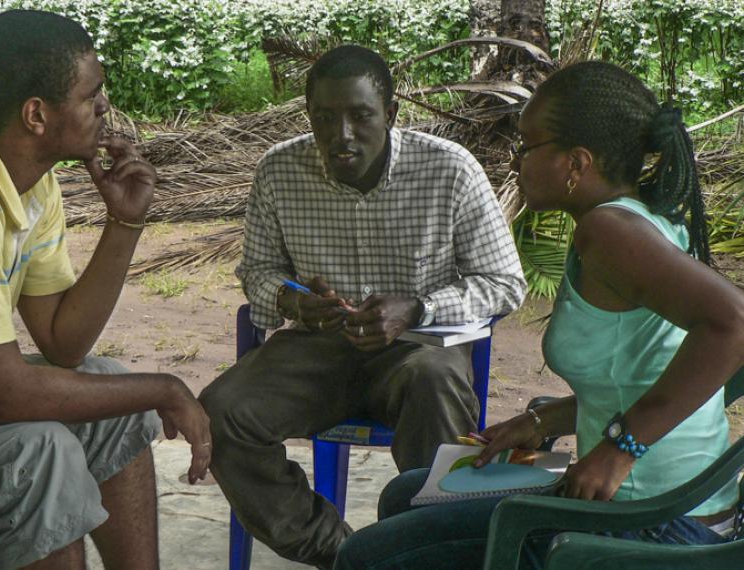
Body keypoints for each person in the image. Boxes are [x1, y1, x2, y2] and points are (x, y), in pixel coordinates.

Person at [333, 60, 744, 570]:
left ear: (576, 163)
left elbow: (734, 323)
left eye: (526, 147)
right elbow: (635, 374)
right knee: (409, 492)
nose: (514, 162)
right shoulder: (634, 220)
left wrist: (619, 449)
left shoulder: (612, 233)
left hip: (656, 521)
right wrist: (536, 421)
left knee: (361, 557)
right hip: (670, 504)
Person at [0, 10, 211, 570]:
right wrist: (167, 386)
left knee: (110, 390)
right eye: (92, 95)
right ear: (37, 114)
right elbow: (6, 397)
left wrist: (125, 224)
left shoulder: (30, 183)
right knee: (41, 455)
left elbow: (65, 346)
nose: (104, 107)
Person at [199, 44, 526, 569]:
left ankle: (429, 553)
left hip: (419, 349)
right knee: (221, 414)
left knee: (436, 383)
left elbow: (505, 284)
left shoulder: (449, 169)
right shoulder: (279, 170)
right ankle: (348, 555)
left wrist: (417, 308)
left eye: (360, 115)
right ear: (308, 116)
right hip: (317, 348)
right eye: (324, 118)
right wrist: (294, 302)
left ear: (391, 115)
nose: (341, 134)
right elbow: (257, 272)